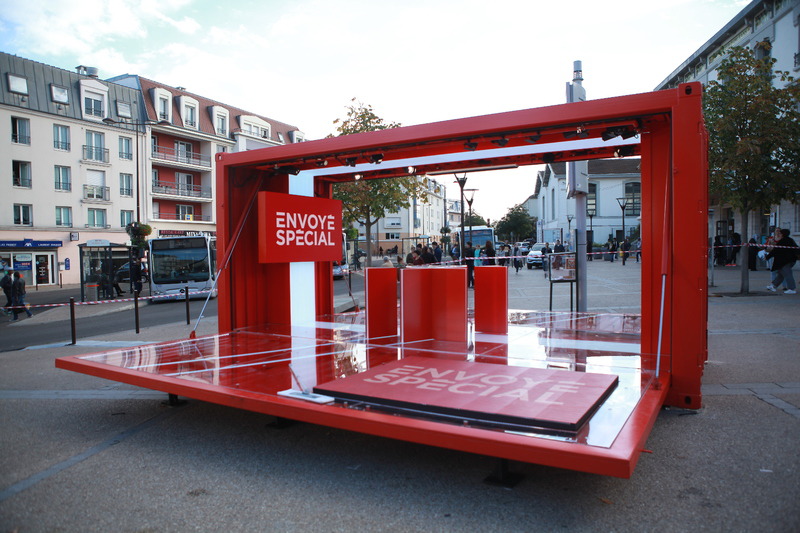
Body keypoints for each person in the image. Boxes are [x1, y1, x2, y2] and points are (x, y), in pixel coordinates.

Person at [765, 228, 797, 294]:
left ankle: (792, 288)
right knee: (781, 274)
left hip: (785, 261)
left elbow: (775, 250)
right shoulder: (790, 240)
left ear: (782, 234)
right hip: (788, 260)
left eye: (780, 233)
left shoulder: (783, 241)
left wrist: (767, 257)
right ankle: (773, 285)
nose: (779, 234)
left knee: (788, 274)